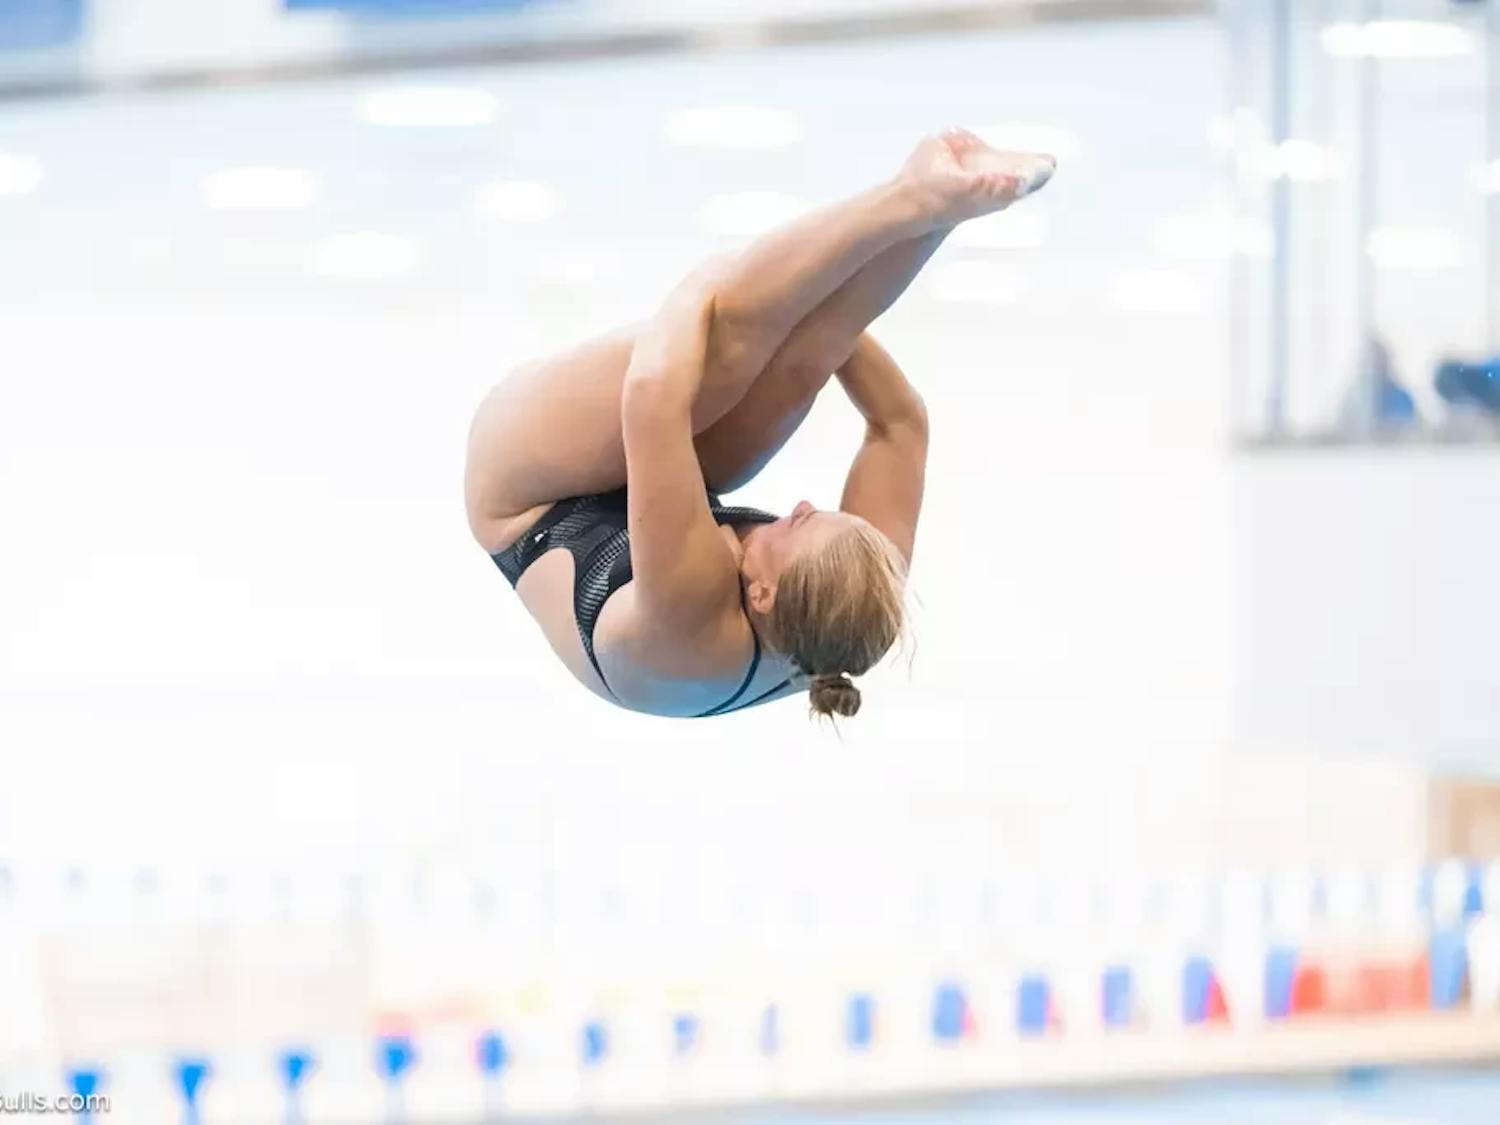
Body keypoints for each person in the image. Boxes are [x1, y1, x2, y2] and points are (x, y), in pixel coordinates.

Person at [465, 129, 1055, 718]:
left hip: (530, 504)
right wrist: (820, 325)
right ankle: (949, 203)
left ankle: (909, 193)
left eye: (799, 526)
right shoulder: (854, 606)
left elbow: (652, 398)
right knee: (802, 361)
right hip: (654, 498)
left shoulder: (688, 625)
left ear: (762, 594)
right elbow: (899, 422)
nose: (799, 506)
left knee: (725, 355)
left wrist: (710, 285)